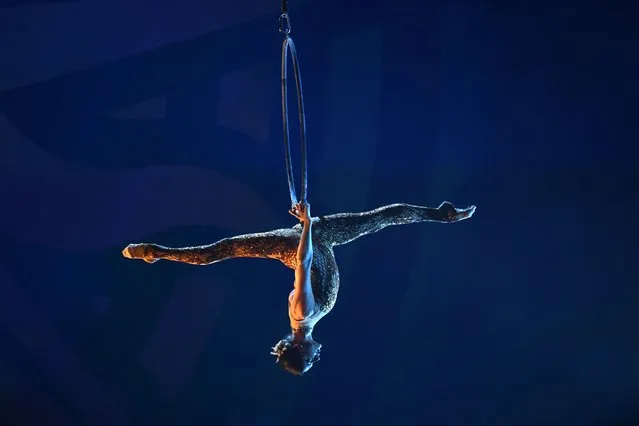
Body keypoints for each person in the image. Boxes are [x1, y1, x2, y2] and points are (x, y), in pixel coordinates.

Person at [122, 200, 476, 375]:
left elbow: (304, 265)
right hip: (324, 237)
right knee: (383, 217)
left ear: (299, 349)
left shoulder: (303, 314)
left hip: (298, 243)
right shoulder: (311, 320)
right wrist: (313, 228)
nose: (318, 357)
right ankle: (442, 214)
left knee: (222, 250)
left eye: (310, 360)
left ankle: (155, 253)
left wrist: (306, 224)